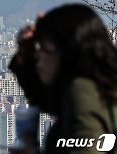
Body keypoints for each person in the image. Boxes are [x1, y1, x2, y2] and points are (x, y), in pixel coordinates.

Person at [8, 3, 117, 154]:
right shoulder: (97, 85)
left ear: (68, 54)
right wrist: (26, 53)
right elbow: (46, 98)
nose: (38, 56)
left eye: (45, 49)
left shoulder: (82, 91)